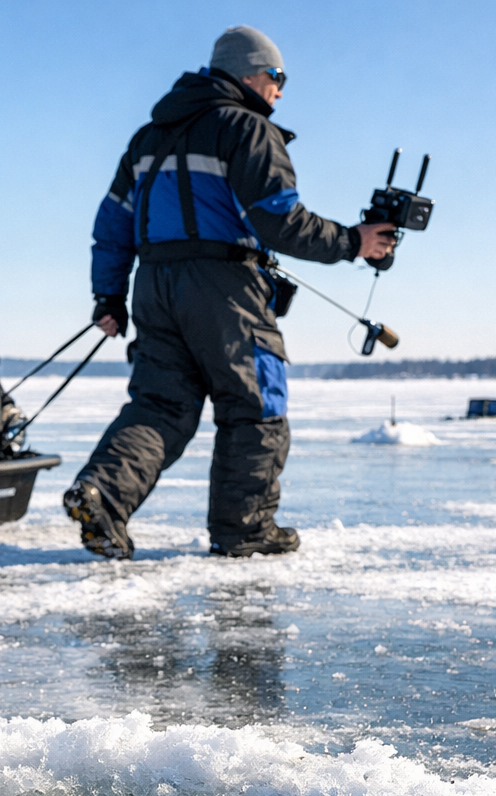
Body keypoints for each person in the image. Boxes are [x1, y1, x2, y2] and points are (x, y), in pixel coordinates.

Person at [64, 25, 396, 560]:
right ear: (247, 72)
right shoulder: (246, 129)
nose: (280, 91)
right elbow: (280, 221)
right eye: (277, 77)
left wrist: (109, 296)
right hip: (223, 290)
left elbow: (113, 224)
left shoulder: (148, 139)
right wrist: (353, 242)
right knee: (255, 406)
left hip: (154, 287)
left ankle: (103, 494)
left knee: (160, 406)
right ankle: (246, 531)